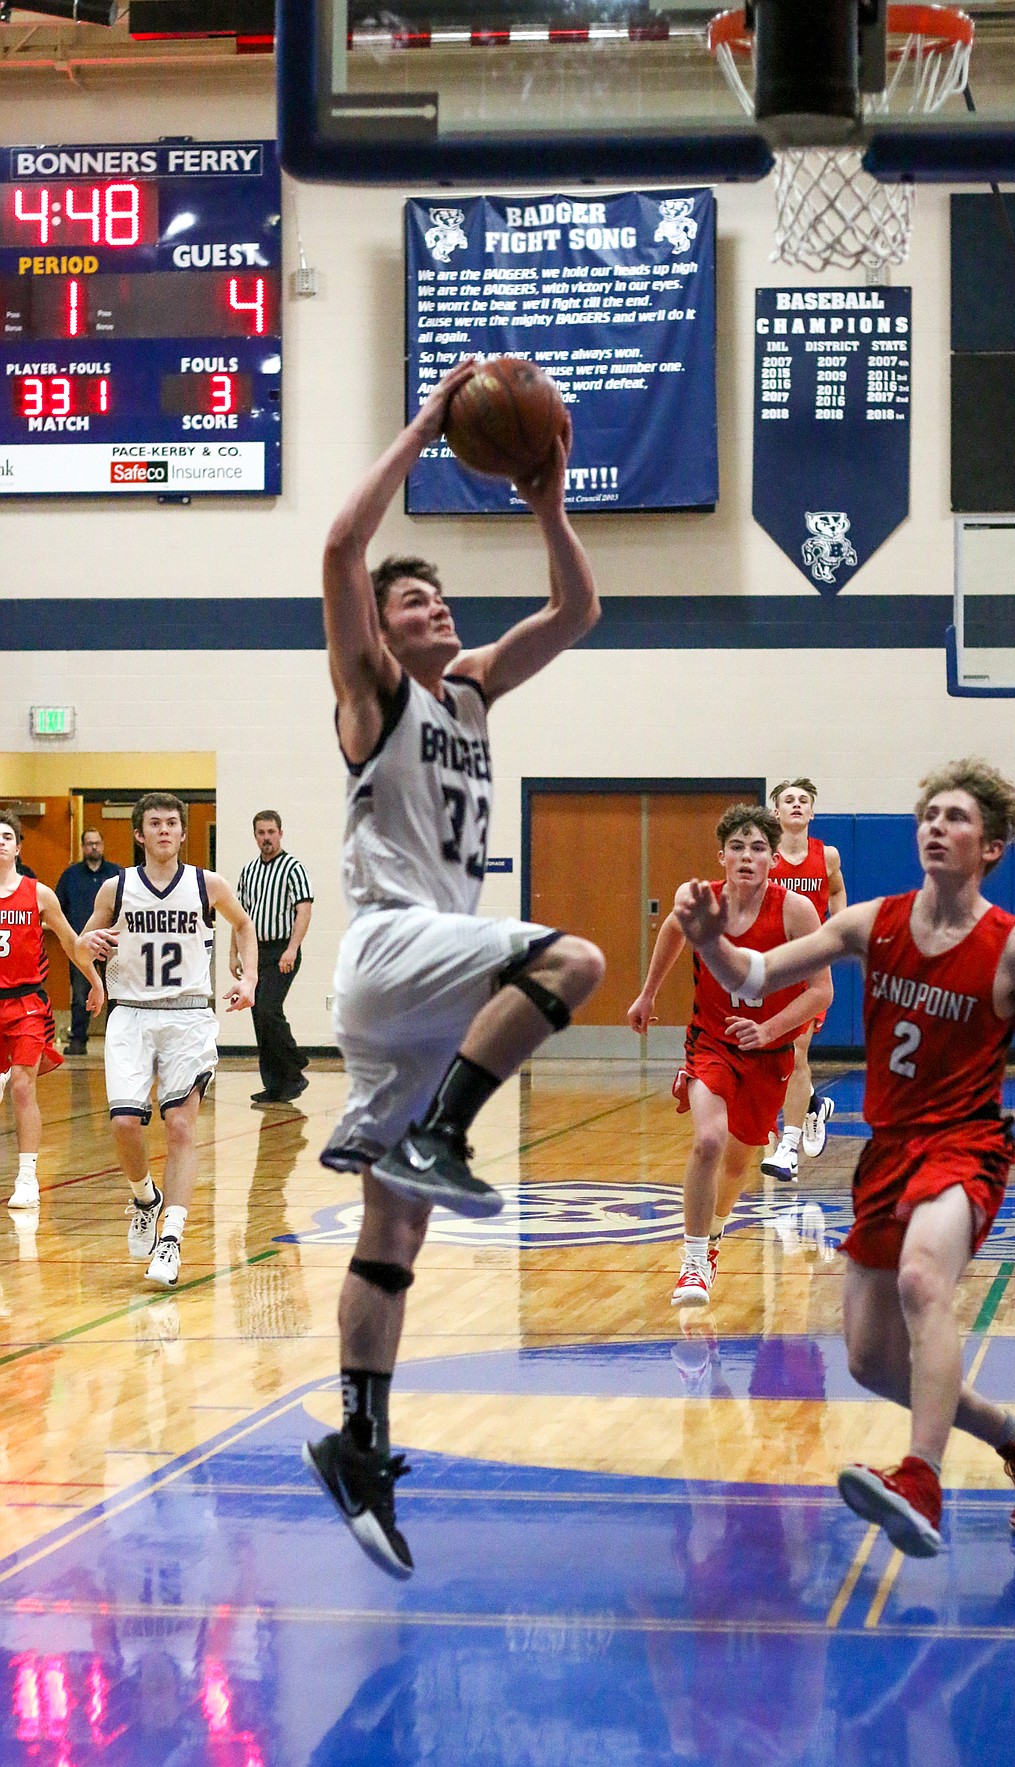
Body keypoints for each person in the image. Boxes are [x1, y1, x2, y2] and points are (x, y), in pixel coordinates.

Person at [304, 357, 605, 1580]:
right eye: (413, 601)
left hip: (426, 991)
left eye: (438, 599)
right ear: (382, 631)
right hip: (392, 946)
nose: (435, 611)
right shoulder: (371, 695)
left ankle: (360, 1441)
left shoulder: (475, 692)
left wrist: (549, 499)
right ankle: (445, 1132)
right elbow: (336, 546)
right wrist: (428, 421)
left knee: (394, 1233)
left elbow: (577, 613)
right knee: (575, 955)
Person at [673, 759, 1015, 1557]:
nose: (937, 826)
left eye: (958, 818)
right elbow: (757, 973)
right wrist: (708, 940)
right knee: (871, 1360)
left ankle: (923, 1476)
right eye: (929, 814)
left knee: (920, 1279)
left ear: (993, 847)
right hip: (890, 1150)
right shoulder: (873, 922)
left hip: (966, 1145)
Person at [627, 803, 831, 1307]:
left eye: (757, 848)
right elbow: (674, 930)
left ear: (772, 860)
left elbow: (820, 992)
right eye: (736, 848)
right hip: (711, 1041)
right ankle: (694, 1262)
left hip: (769, 1051)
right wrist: (649, 992)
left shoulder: (796, 912)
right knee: (708, 1141)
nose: (746, 856)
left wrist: (768, 1030)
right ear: (721, 856)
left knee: (738, 1166)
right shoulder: (703, 902)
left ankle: (713, 1234)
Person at [79, 792, 258, 1289]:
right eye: (153, 823)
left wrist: (249, 980)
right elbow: (79, 943)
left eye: (171, 823)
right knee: (123, 1124)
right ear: (139, 835)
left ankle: (172, 1239)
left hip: (187, 1016)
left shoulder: (208, 884)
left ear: (183, 833)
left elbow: (243, 926)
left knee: (180, 1125)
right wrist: (90, 963)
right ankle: (144, 1198)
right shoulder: (117, 890)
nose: (163, 830)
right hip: (131, 1015)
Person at [0, 809, 104, 1209]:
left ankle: (27, 1176)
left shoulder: (39, 894)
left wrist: (95, 981)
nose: (1, 842)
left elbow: (72, 941)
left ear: (19, 846)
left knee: (25, 1085)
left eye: (7, 836)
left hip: (25, 1003)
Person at [761, 777, 847, 1183]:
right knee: (771, 1056)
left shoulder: (826, 856)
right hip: (770, 964)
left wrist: (837, 931)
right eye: (788, 800)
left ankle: (788, 1148)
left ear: (811, 812)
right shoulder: (762, 855)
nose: (796, 805)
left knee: (797, 1052)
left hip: (809, 966)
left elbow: (837, 893)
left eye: (803, 801)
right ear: (775, 812)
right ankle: (813, 1104)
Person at [233, 810, 314, 1105]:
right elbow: (239, 916)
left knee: (268, 1009)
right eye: (261, 833)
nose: (266, 838)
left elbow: (303, 910)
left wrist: (292, 949)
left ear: (280, 833)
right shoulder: (249, 871)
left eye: (271, 832)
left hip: (282, 949)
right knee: (259, 1018)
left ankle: (295, 1062)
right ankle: (278, 1086)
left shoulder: (293, 867)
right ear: (255, 836)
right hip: (255, 952)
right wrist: (234, 953)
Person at [55, 828, 121, 1054]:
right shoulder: (70, 875)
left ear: (102, 845)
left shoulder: (117, 874)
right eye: (89, 843)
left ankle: (115, 1041)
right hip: (82, 943)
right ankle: (78, 1041)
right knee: (81, 994)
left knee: (115, 994)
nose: (94, 847)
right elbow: (58, 908)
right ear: (83, 847)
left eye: (97, 843)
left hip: (113, 946)